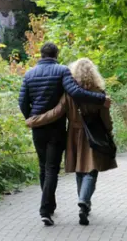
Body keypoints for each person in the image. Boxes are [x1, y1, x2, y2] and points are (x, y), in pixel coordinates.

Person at [19, 43, 110, 226]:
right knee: (53, 168)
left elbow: (22, 101)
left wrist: (31, 117)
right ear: (56, 54)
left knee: (43, 166)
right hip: (57, 128)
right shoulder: (62, 71)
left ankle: (49, 207)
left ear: (41, 54)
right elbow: (75, 92)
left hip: (40, 126)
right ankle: (48, 208)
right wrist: (101, 99)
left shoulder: (29, 74)